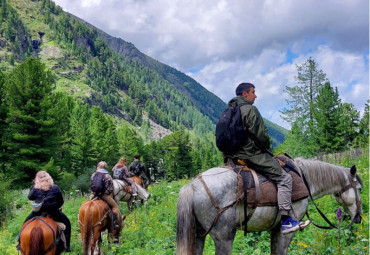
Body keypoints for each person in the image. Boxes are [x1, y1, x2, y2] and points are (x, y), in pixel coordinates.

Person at [222, 82, 310, 234]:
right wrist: (266, 149)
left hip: (232, 157)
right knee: (284, 179)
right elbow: (260, 135)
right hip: (251, 155)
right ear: (245, 94)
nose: (255, 95)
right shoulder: (250, 109)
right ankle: (286, 220)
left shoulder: (229, 111)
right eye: (253, 92)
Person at [22, 171, 71, 252]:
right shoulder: (55, 187)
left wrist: (34, 186)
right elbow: (61, 201)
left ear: (37, 179)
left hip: (37, 212)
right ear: (49, 178)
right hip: (54, 213)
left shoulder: (35, 188)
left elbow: (30, 197)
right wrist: (55, 207)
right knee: (67, 223)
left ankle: (19, 241)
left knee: (25, 224)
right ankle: (67, 247)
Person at [90, 161, 124, 230]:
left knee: (89, 204)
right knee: (115, 207)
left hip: (94, 194)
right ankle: (115, 223)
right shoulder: (107, 176)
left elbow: (91, 184)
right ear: (105, 168)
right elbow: (111, 189)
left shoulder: (93, 174)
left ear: (98, 166)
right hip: (105, 195)